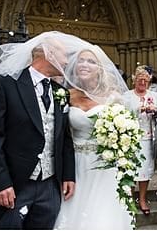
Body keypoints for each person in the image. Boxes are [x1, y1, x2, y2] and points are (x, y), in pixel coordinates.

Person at [0, 32, 75, 230]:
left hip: (50, 186)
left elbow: (64, 138)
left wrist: (68, 174)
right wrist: (1, 183)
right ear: (48, 53)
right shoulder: (4, 84)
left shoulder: (61, 92)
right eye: (64, 54)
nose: (67, 60)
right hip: (15, 185)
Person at [55, 43, 134, 229]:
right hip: (74, 164)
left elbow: (126, 136)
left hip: (103, 166)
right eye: (80, 60)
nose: (84, 64)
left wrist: (125, 171)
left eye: (90, 61)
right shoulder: (65, 95)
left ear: (100, 70)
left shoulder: (114, 97)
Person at [120, 66, 157, 216]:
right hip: (130, 138)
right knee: (131, 169)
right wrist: (138, 109)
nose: (143, 83)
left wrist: (155, 110)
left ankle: (143, 199)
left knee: (145, 170)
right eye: (140, 80)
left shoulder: (153, 94)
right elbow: (121, 115)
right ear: (134, 81)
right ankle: (130, 199)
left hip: (148, 138)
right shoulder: (126, 96)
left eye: (145, 80)